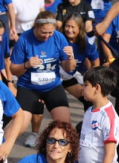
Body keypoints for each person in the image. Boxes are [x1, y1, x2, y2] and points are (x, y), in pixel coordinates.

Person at [11, 11, 75, 147]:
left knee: (64, 126)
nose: (47, 36)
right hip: (29, 87)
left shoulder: (59, 38)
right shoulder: (24, 40)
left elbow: (68, 68)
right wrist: (26, 65)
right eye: (44, 32)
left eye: (50, 33)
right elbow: (13, 69)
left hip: (52, 86)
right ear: (36, 26)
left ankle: (64, 158)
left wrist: (70, 58)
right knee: (19, 126)